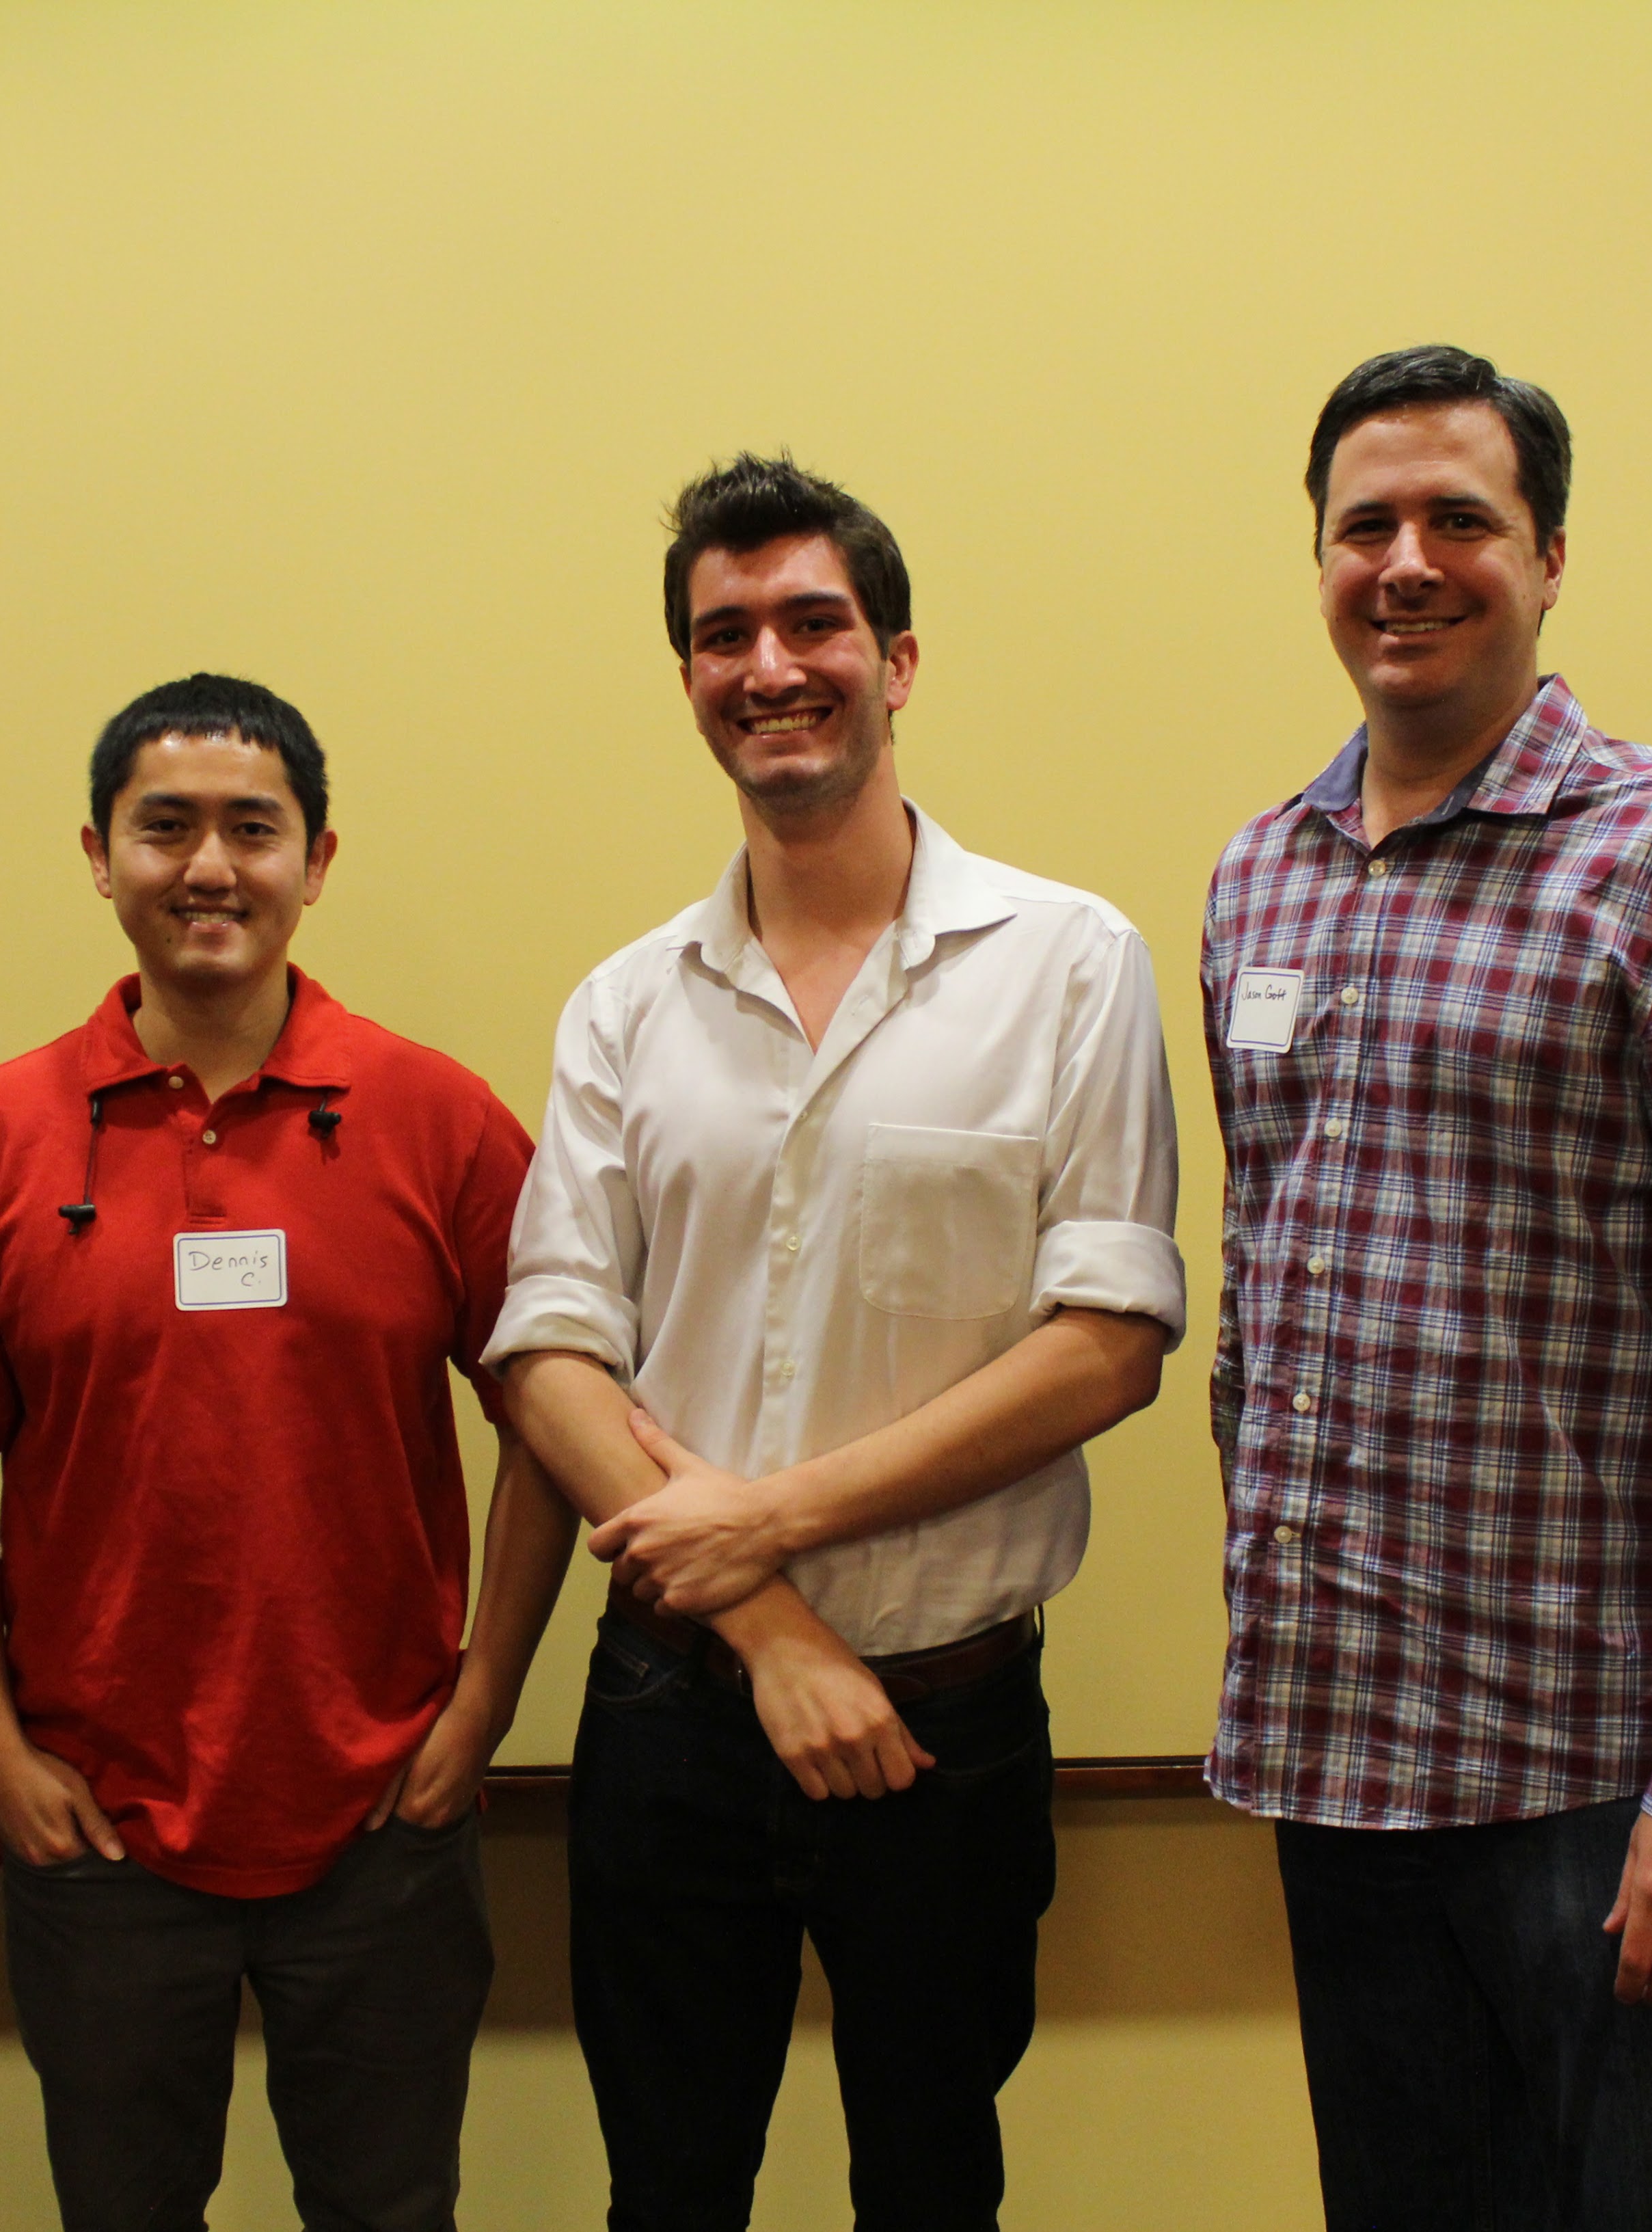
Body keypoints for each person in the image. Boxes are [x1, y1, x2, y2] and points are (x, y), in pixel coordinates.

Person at [1201, 345, 1652, 2229]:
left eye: (1460, 520)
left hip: (1602, 1790)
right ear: (1319, 558)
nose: (1406, 562)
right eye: (1365, 526)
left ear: (1550, 556)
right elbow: (1264, 1314)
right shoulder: (1259, 881)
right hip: (1342, 1771)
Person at [488, 455, 1184, 2232]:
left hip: (945, 1726)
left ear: (898, 660)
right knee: (667, 2195)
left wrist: (769, 1520)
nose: (770, 666)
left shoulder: (1067, 961)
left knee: (935, 2193)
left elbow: (1107, 1345)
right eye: (724, 634)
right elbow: (550, 1352)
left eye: (813, 623)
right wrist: (774, 1627)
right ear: (688, 679)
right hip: (670, 1716)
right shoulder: (623, 1004)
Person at [0, 673, 573, 2232]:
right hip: (95, 1824)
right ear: (99, 854)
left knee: (391, 2213)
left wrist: (482, 1701)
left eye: (252, 829)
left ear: (315, 859)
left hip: (384, 1816)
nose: (209, 866)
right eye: (166, 828)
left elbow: (552, 1414)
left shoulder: (438, 1118)